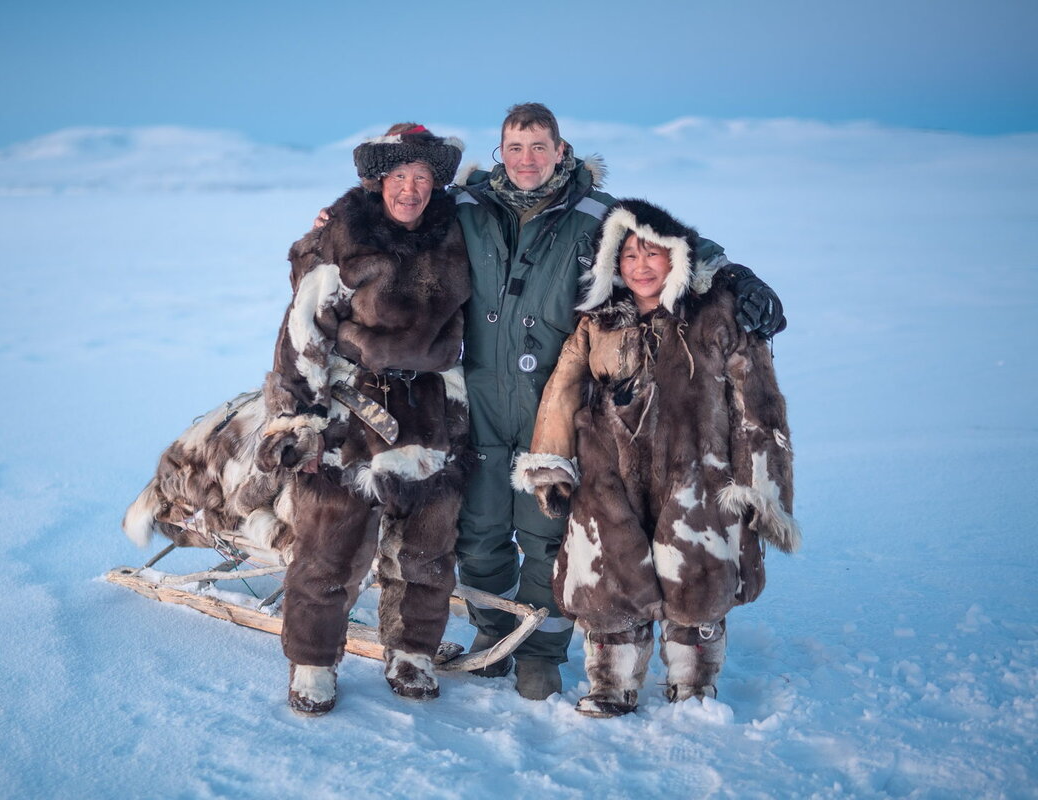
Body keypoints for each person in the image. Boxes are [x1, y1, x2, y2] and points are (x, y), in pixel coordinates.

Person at [450, 103, 786, 700]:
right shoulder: (468, 207)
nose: (527, 159)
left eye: (539, 147)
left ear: (562, 150)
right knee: (477, 531)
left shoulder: (596, 213)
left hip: (555, 398)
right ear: (500, 152)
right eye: (515, 147)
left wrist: (739, 278)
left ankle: (542, 651)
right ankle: (490, 633)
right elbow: (402, 216)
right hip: (478, 396)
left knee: (544, 533)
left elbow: (675, 242)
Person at [511, 198, 799, 716]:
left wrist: (763, 482)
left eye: (652, 254)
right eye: (627, 257)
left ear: (677, 259)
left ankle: (693, 685)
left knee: (696, 578)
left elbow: (756, 400)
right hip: (610, 472)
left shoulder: (716, 315)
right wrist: (552, 465)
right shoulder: (597, 321)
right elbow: (563, 389)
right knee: (609, 581)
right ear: (611, 265)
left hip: (697, 471)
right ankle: (611, 684)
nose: (640, 267)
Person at [256, 124, 472, 715]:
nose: (411, 190)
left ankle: (412, 652)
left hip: (428, 412)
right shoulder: (342, 237)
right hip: (352, 411)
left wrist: (458, 418)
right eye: (400, 177)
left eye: (423, 178)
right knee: (330, 548)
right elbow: (302, 332)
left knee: (428, 549)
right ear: (378, 181)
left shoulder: (456, 235)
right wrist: (297, 421)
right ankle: (312, 662)